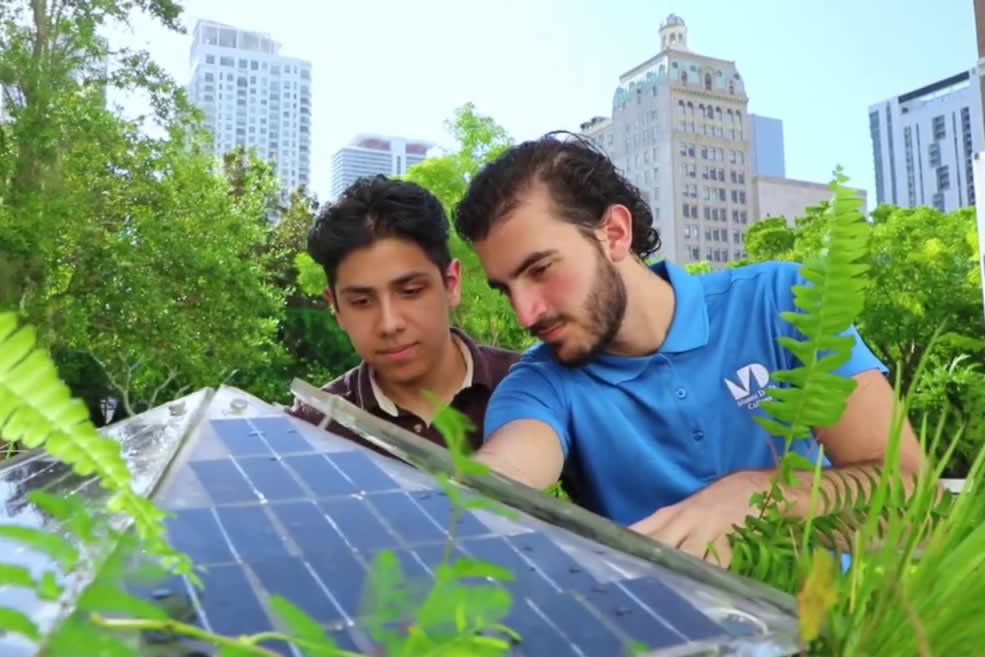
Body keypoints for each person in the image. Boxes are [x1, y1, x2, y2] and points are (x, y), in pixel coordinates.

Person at [451, 132, 925, 565]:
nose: (526, 314)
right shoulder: (539, 384)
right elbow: (505, 470)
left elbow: (915, 504)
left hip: (845, 619)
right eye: (506, 289)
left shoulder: (783, 301)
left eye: (540, 270)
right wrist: (456, 498)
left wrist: (759, 498)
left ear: (614, 233)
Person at [288, 175, 521, 457]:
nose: (389, 324)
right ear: (336, 307)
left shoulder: (533, 388)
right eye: (361, 302)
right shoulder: (312, 429)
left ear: (451, 284)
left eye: (411, 291)